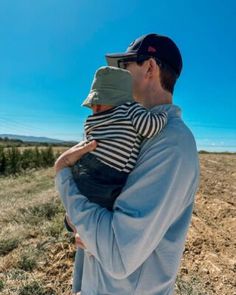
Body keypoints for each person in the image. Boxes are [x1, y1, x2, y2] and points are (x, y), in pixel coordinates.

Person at [55, 33, 200, 295]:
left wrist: (62, 177)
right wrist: (75, 220)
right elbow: (89, 213)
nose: (119, 74)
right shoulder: (125, 128)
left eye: (124, 67)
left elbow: (117, 254)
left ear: (150, 68)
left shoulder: (172, 143)